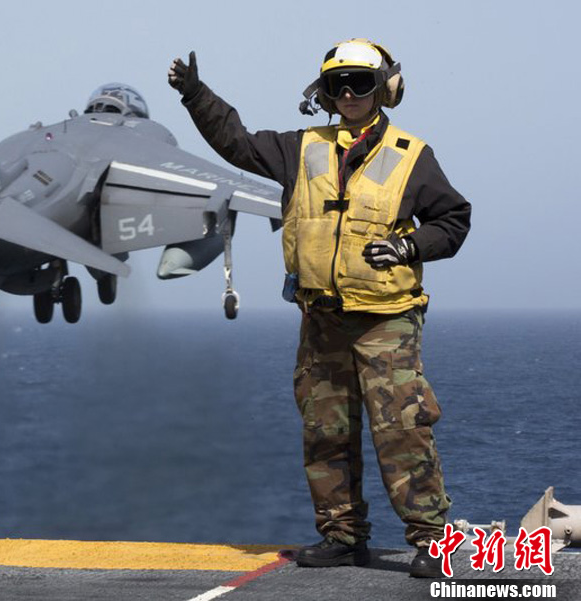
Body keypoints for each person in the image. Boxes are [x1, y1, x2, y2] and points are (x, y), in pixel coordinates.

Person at [168, 39, 470, 578]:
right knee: (325, 431)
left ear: (386, 88)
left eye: (360, 82)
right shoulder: (300, 147)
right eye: (338, 84)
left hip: (386, 321)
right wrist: (196, 96)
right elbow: (235, 142)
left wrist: (409, 246)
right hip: (321, 318)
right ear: (325, 93)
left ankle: (434, 542)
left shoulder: (411, 155)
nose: (350, 93)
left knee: (403, 430)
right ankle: (342, 536)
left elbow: (453, 221)